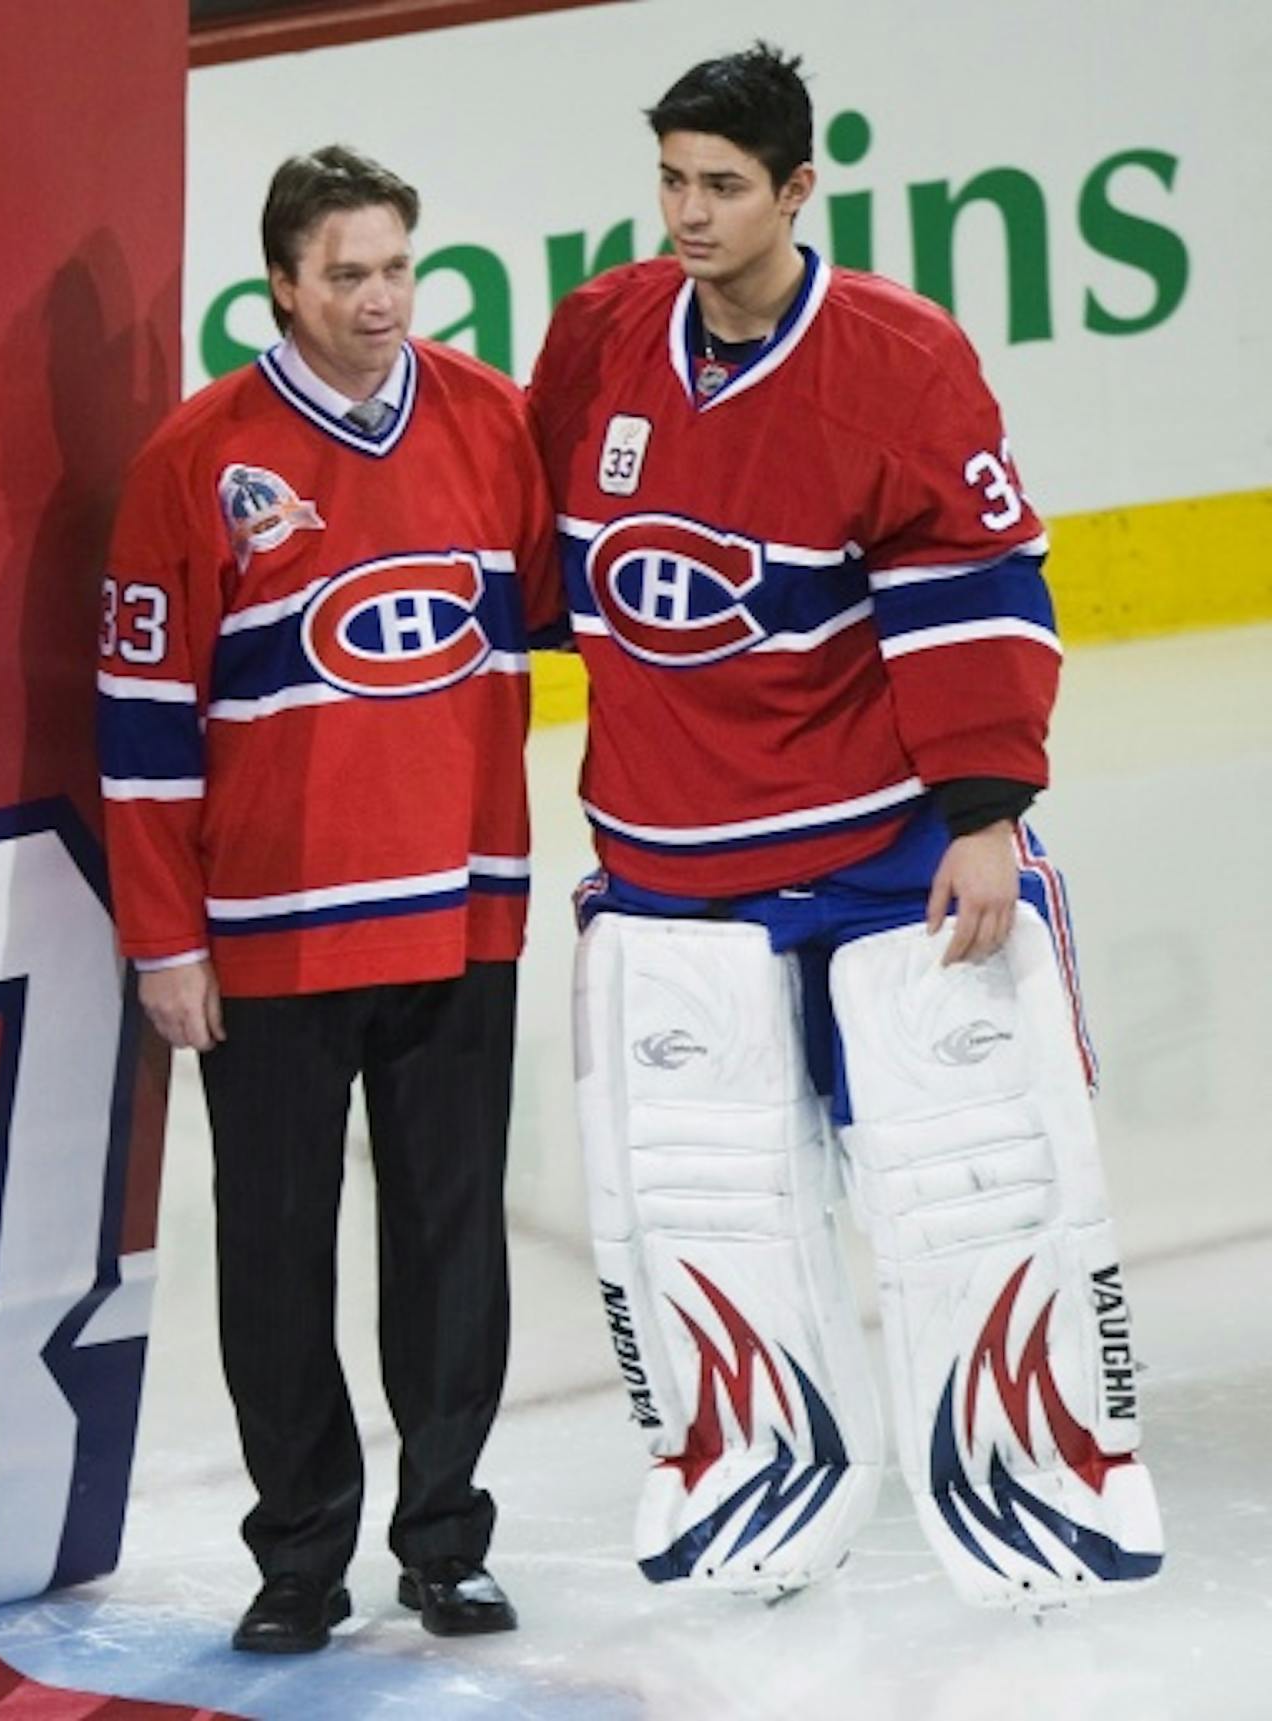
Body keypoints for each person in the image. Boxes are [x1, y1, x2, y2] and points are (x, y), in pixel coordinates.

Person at [527, 43, 1164, 1609]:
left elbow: (981, 585)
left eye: (723, 186)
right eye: (671, 179)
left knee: (974, 1183)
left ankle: (1039, 1464)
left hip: (884, 853)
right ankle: (747, 1467)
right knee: (702, 1201)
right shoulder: (604, 334)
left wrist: (985, 817)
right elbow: (544, 561)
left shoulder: (898, 355)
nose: (688, 212)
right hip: (676, 864)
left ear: (799, 189)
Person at [98, 145, 554, 1652]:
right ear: (281, 283)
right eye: (346, 274)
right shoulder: (196, 460)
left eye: (397, 270)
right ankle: (300, 1554)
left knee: (450, 1237)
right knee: (277, 1255)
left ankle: (445, 1539)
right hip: (272, 941)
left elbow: (570, 622)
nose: (378, 301)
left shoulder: (491, 422)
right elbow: (146, 731)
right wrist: (165, 940)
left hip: (460, 915)